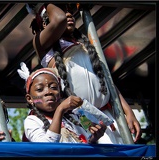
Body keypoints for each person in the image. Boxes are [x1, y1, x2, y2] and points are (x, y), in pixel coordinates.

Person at [27, 3, 141, 144]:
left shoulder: (84, 43)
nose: (69, 15)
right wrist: (41, 5)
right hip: (83, 122)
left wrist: (128, 111)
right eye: (63, 11)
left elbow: (107, 82)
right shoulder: (43, 46)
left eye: (70, 12)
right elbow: (59, 19)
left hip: (110, 116)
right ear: (45, 24)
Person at [17, 63, 107, 143]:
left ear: (60, 94)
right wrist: (60, 109)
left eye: (54, 87)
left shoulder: (72, 118)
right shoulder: (32, 121)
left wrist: (93, 139)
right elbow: (47, 147)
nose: (49, 92)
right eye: (40, 89)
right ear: (29, 99)